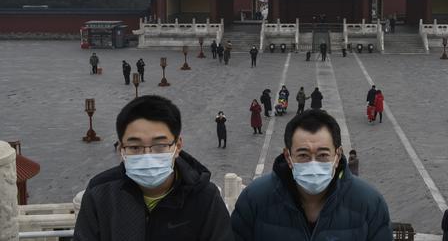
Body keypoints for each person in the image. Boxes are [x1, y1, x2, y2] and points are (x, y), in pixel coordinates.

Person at [73, 95, 234, 241]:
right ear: (121, 149)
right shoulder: (100, 194)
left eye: (159, 145)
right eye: (135, 147)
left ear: (177, 146)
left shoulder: (204, 197)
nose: (147, 156)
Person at [231, 110, 392, 241]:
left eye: (322, 155)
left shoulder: (370, 204)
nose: (313, 164)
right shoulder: (254, 200)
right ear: (288, 156)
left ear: (337, 155)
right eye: (303, 155)